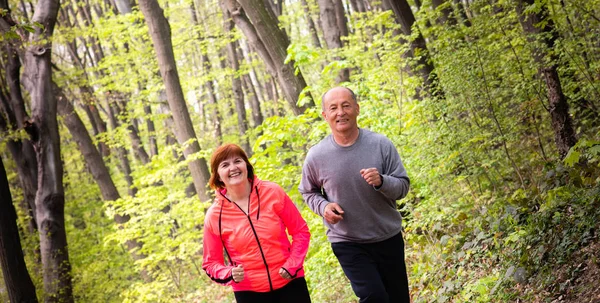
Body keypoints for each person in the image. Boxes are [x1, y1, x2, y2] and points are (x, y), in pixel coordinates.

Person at [299, 86, 411, 303]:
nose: (340, 112)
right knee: (373, 297)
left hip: (387, 236)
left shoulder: (380, 144)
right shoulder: (316, 156)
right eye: (333, 108)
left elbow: (403, 187)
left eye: (346, 105)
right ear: (325, 116)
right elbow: (308, 191)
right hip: (347, 240)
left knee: (397, 298)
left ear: (357, 109)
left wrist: (382, 181)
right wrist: (323, 207)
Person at [202, 143, 312, 303]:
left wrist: (292, 265)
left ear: (246, 165)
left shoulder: (273, 192)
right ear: (218, 176)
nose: (233, 168)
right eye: (225, 165)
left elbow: (300, 231)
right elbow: (211, 263)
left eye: (237, 161)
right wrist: (229, 273)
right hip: (249, 292)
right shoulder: (214, 216)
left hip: (290, 282)